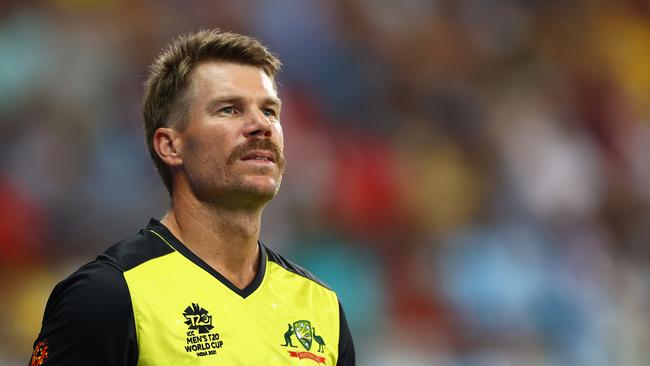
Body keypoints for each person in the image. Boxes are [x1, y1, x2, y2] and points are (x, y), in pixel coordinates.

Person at [30, 29, 355, 365]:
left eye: (270, 111)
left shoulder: (320, 306)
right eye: (229, 109)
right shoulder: (108, 296)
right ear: (170, 146)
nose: (261, 125)